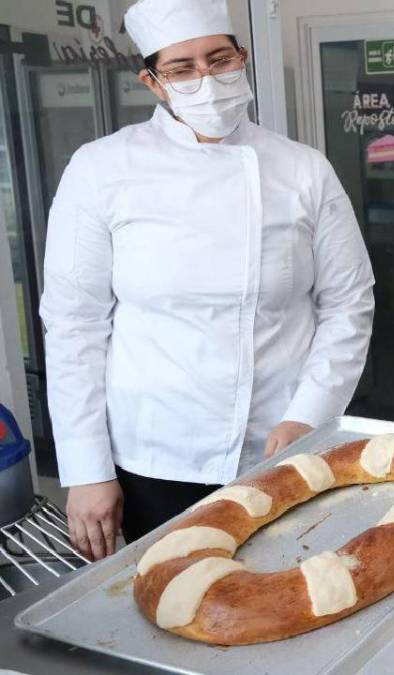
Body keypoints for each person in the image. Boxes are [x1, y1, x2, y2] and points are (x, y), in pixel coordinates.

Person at [41, 0, 374, 560]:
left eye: (219, 59)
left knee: (286, 592)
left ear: (241, 59)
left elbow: (348, 302)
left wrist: (308, 415)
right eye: (182, 67)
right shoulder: (101, 170)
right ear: (153, 81)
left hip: (280, 442)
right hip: (156, 454)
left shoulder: (302, 168)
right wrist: (86, 469)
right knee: (172, 601)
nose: (207, 78)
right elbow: (74, 326)